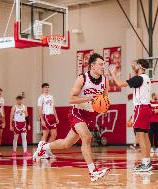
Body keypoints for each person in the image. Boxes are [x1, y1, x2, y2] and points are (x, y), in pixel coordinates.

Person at [33, 53, 110, 182]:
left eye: (103, 64)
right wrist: (87, 98)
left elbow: (105, 98)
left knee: (66, 144)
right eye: (101, 64)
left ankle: (43, 147)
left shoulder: (105, 81)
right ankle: (93, 171)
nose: (103, 66)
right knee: (87, 136)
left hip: (90, 115)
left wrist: (104, 107)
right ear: (93, 65)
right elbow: (71, 98)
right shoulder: (82, 78)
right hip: (77, 112)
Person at [110, 59, 152, 172]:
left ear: (141, 66)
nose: (135, 65)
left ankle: (145, 163)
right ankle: (147, 162)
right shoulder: (146, 78)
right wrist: (135, 71)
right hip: (147, 108)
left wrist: (113, 74)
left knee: (140, 136)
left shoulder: (139, 78)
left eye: (137, 64)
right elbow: (137, 80)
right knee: (145, 135)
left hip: (141, 108)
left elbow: (119, 84)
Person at [37, 83, 59, 158]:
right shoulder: (41, 98)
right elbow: (39, 110)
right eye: (46, 87)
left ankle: (47, 150)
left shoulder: (51, 97)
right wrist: (42, 120)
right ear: (42, 88)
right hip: (45, 116)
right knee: (45, 134)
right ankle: (41, 151)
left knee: (54, 134)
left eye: (48, 87)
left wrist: (56, 117)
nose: (47, 89)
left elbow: (53, 107)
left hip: (52, 116)